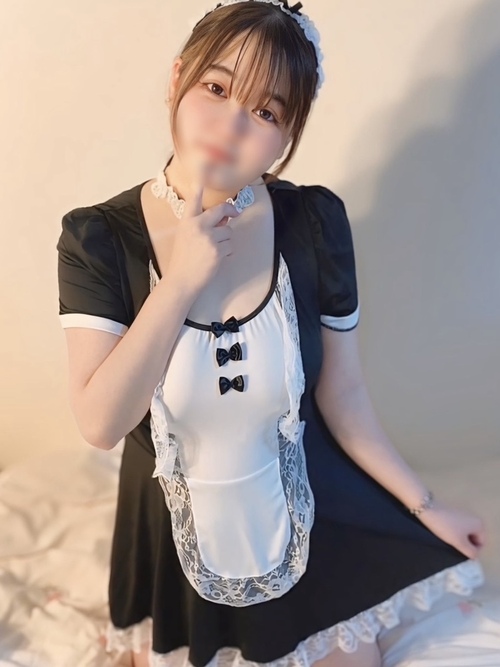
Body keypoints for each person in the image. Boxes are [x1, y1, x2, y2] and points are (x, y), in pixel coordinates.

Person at [56, 1, 487, 666]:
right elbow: (100, 423)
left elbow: (343, 396)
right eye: (216, 87)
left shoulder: (314, 223)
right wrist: (179, 283)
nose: (232, 124)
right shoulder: (99, 237)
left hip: (308, 519)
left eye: (265, 111)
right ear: (177, 79)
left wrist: (425, 506)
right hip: (175, 550)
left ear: (285, 137)